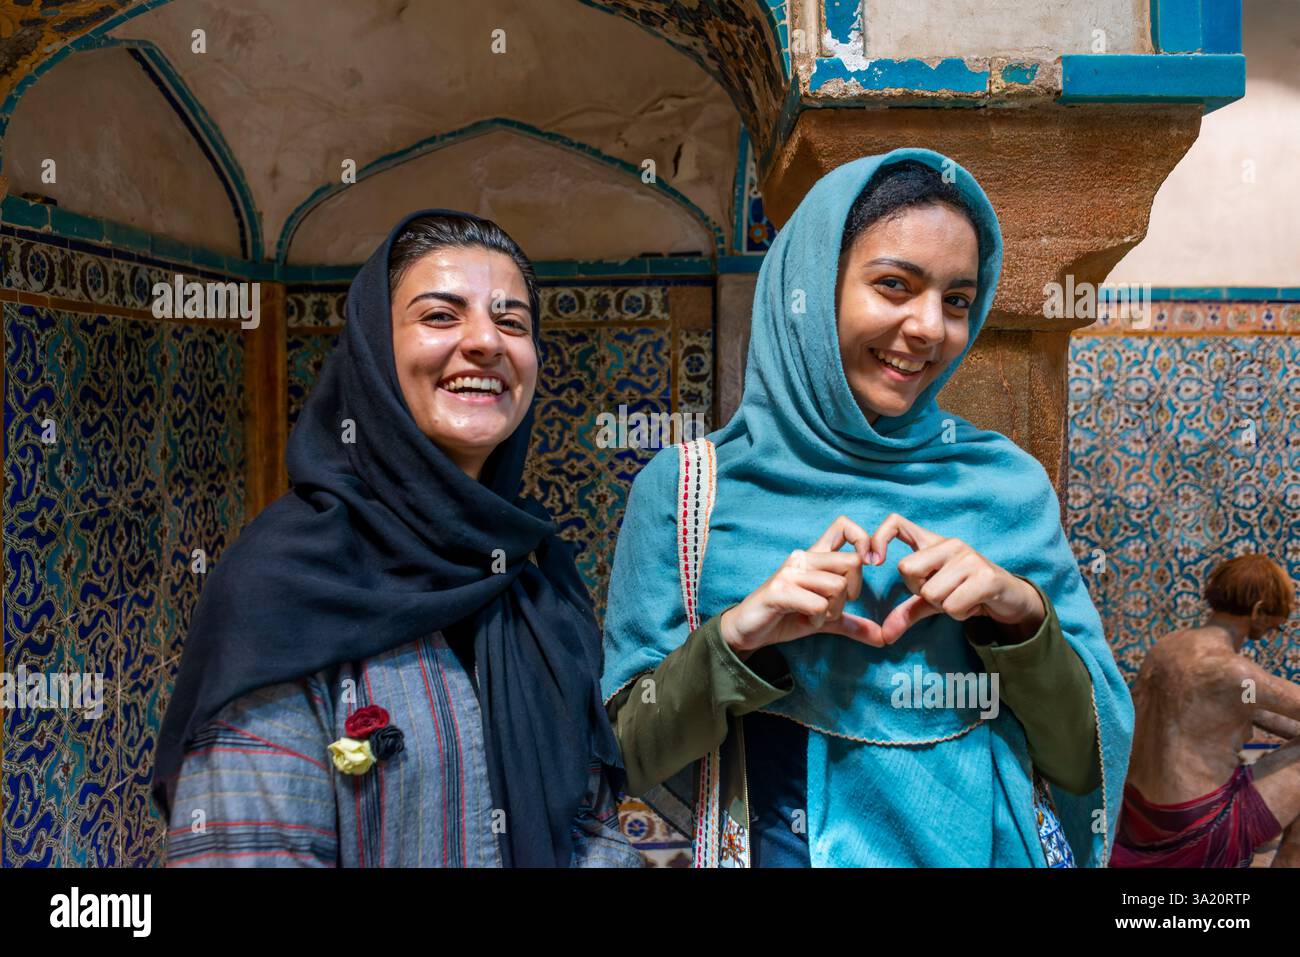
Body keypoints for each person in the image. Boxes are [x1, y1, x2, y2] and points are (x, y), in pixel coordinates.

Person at [602, 150, 1133, 867]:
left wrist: (1021, 615)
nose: (928, 328)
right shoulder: (688, 493)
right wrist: (738, 635)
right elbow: (626, 752)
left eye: (956, 300)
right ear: (812, 286)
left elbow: (1083, 762)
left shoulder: (1006, 485)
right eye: (894, 285)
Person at [152, 211, 641, 868]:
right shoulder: (282, 590)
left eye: (513, 322)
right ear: (375, 350)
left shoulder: (539, 579)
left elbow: (592, 831)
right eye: (441, 316)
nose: (486, 342)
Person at [1113, 554, 1300, 868]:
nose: (1271, 631)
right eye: (1274, 626)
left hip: (1141, 821)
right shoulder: (1234, 671)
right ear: (1257, 612)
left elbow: (1255, 710)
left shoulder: (1167, 647)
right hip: (1198, 830)